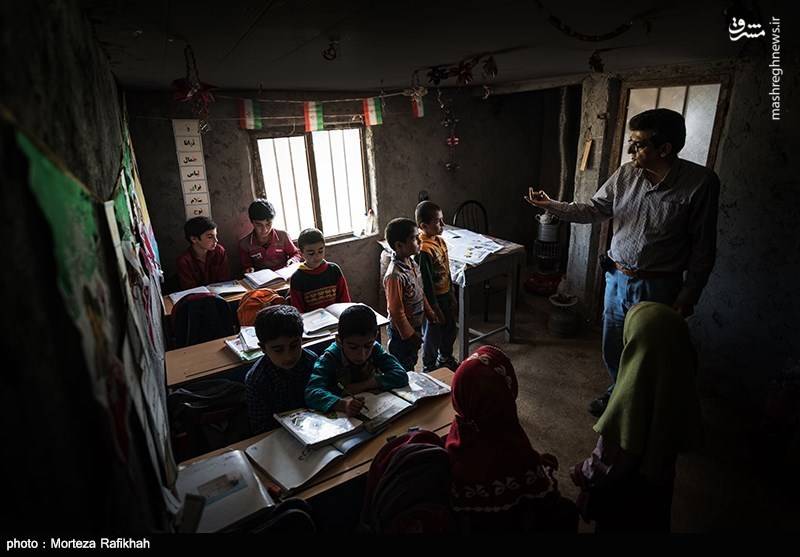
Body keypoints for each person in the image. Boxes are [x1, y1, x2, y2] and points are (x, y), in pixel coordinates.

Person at [525, 108, 720, 417]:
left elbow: (703, 248)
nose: (630, 150)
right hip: (617, 279)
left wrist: (688, 294)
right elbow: (593, 210)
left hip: (659, 286)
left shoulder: (700, 183)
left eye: (639, 144)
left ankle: (644, 408)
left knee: (649, 353)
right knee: (613, 346)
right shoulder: (626, 174)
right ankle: (619, 393)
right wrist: (551, 205)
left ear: (665, 149)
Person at [570, 302, 703, 532]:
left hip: (622, 500)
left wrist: (582, 471)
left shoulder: (633, 395)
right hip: (656, 492)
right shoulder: (677, 387)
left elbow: (611, 457)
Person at [446, 345, 578, 533]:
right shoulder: (510, 446)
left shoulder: (460, 430)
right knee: (568, 510)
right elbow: (542, 492)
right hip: (511, 522)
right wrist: (541, 467)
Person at [305, 304, 408, 417]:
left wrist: (363, 385)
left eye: (368, 346)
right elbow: (312, 392)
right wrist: (343, 405)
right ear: (339, 340)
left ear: (375, 336)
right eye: (353, 347)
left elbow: (401, 374)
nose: (361, 355)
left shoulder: (375, 348)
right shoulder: (329, 358)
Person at [244, 305, 317, 434]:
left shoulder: (312, 361)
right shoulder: (256, 379)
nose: (288, 356)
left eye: (294, 346)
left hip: (316, 427)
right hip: (281, 436)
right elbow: (260, 426)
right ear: (263, 348)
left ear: (302, 340)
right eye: (278, 350)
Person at [383, 217, 438, 371]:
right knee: (403, 366)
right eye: (415, 238)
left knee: (412, 359)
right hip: (401, 333)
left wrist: (429, 312)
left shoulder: (412, 263)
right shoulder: (395, 276)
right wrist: (409, 335)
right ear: (399, 245)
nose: (420, 241)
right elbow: (395, 311)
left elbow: (420, 291)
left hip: (415, 325)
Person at [415, 201, 458, 372]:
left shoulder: (439, 241)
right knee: (432, 333)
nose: (443, 224)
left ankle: (445, 357)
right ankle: (429, 366)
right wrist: (434, 307)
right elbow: (425, 284)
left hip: (446, 293)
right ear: (424, 226)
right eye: (438, 221)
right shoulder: (423, 250)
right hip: (433, 299)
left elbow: (446, 270)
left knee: (449, 328)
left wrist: (452, 292)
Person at [289, 227, 352, 312]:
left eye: (320, 251)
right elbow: (298, 309)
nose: (317, 257)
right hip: (313, 323)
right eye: (311, 253)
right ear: (301, 253)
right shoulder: (297, 278)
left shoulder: (334, 270)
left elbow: (344, 299)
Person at [238, 199, 301, 273]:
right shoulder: (244, 244)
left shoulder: (283, 236)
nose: (265, 230)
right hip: (262, 281)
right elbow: (246, 266)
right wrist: (248, 270)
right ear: (252, 222)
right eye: (259, 225)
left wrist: (293, 260)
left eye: (268, 224)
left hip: (283, 276)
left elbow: (295, 254)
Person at [176, 216, 230, 290]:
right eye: (210, 237)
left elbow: (224, 279)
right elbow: (190, 289)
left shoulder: (219, 251)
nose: (216, 240)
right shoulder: (184, 261)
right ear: (194, 239)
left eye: (215, 235)